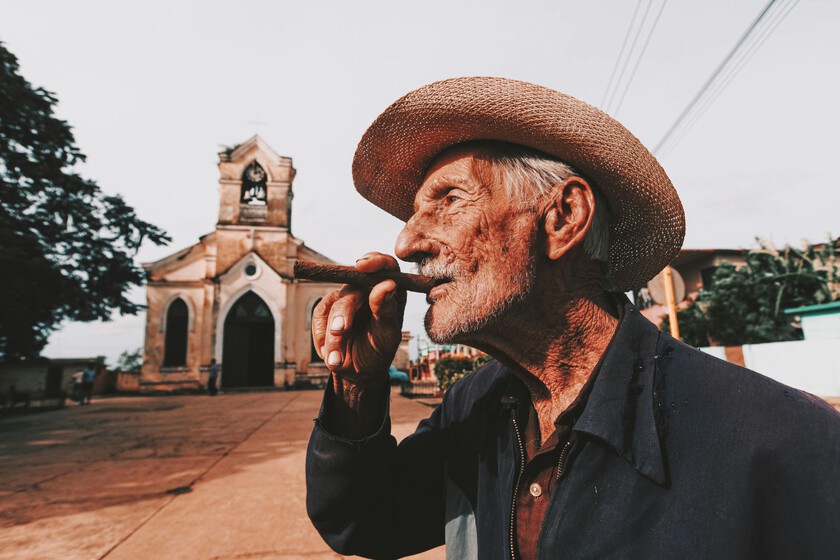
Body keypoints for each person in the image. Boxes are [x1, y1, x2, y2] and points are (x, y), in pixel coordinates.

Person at [305, 78, 840, 559]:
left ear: (564, 218)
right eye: (413, 215)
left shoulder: (788, 445)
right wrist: (356, 384)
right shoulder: (475, 407)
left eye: (448, 200)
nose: (407, 243)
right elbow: (366, 521)